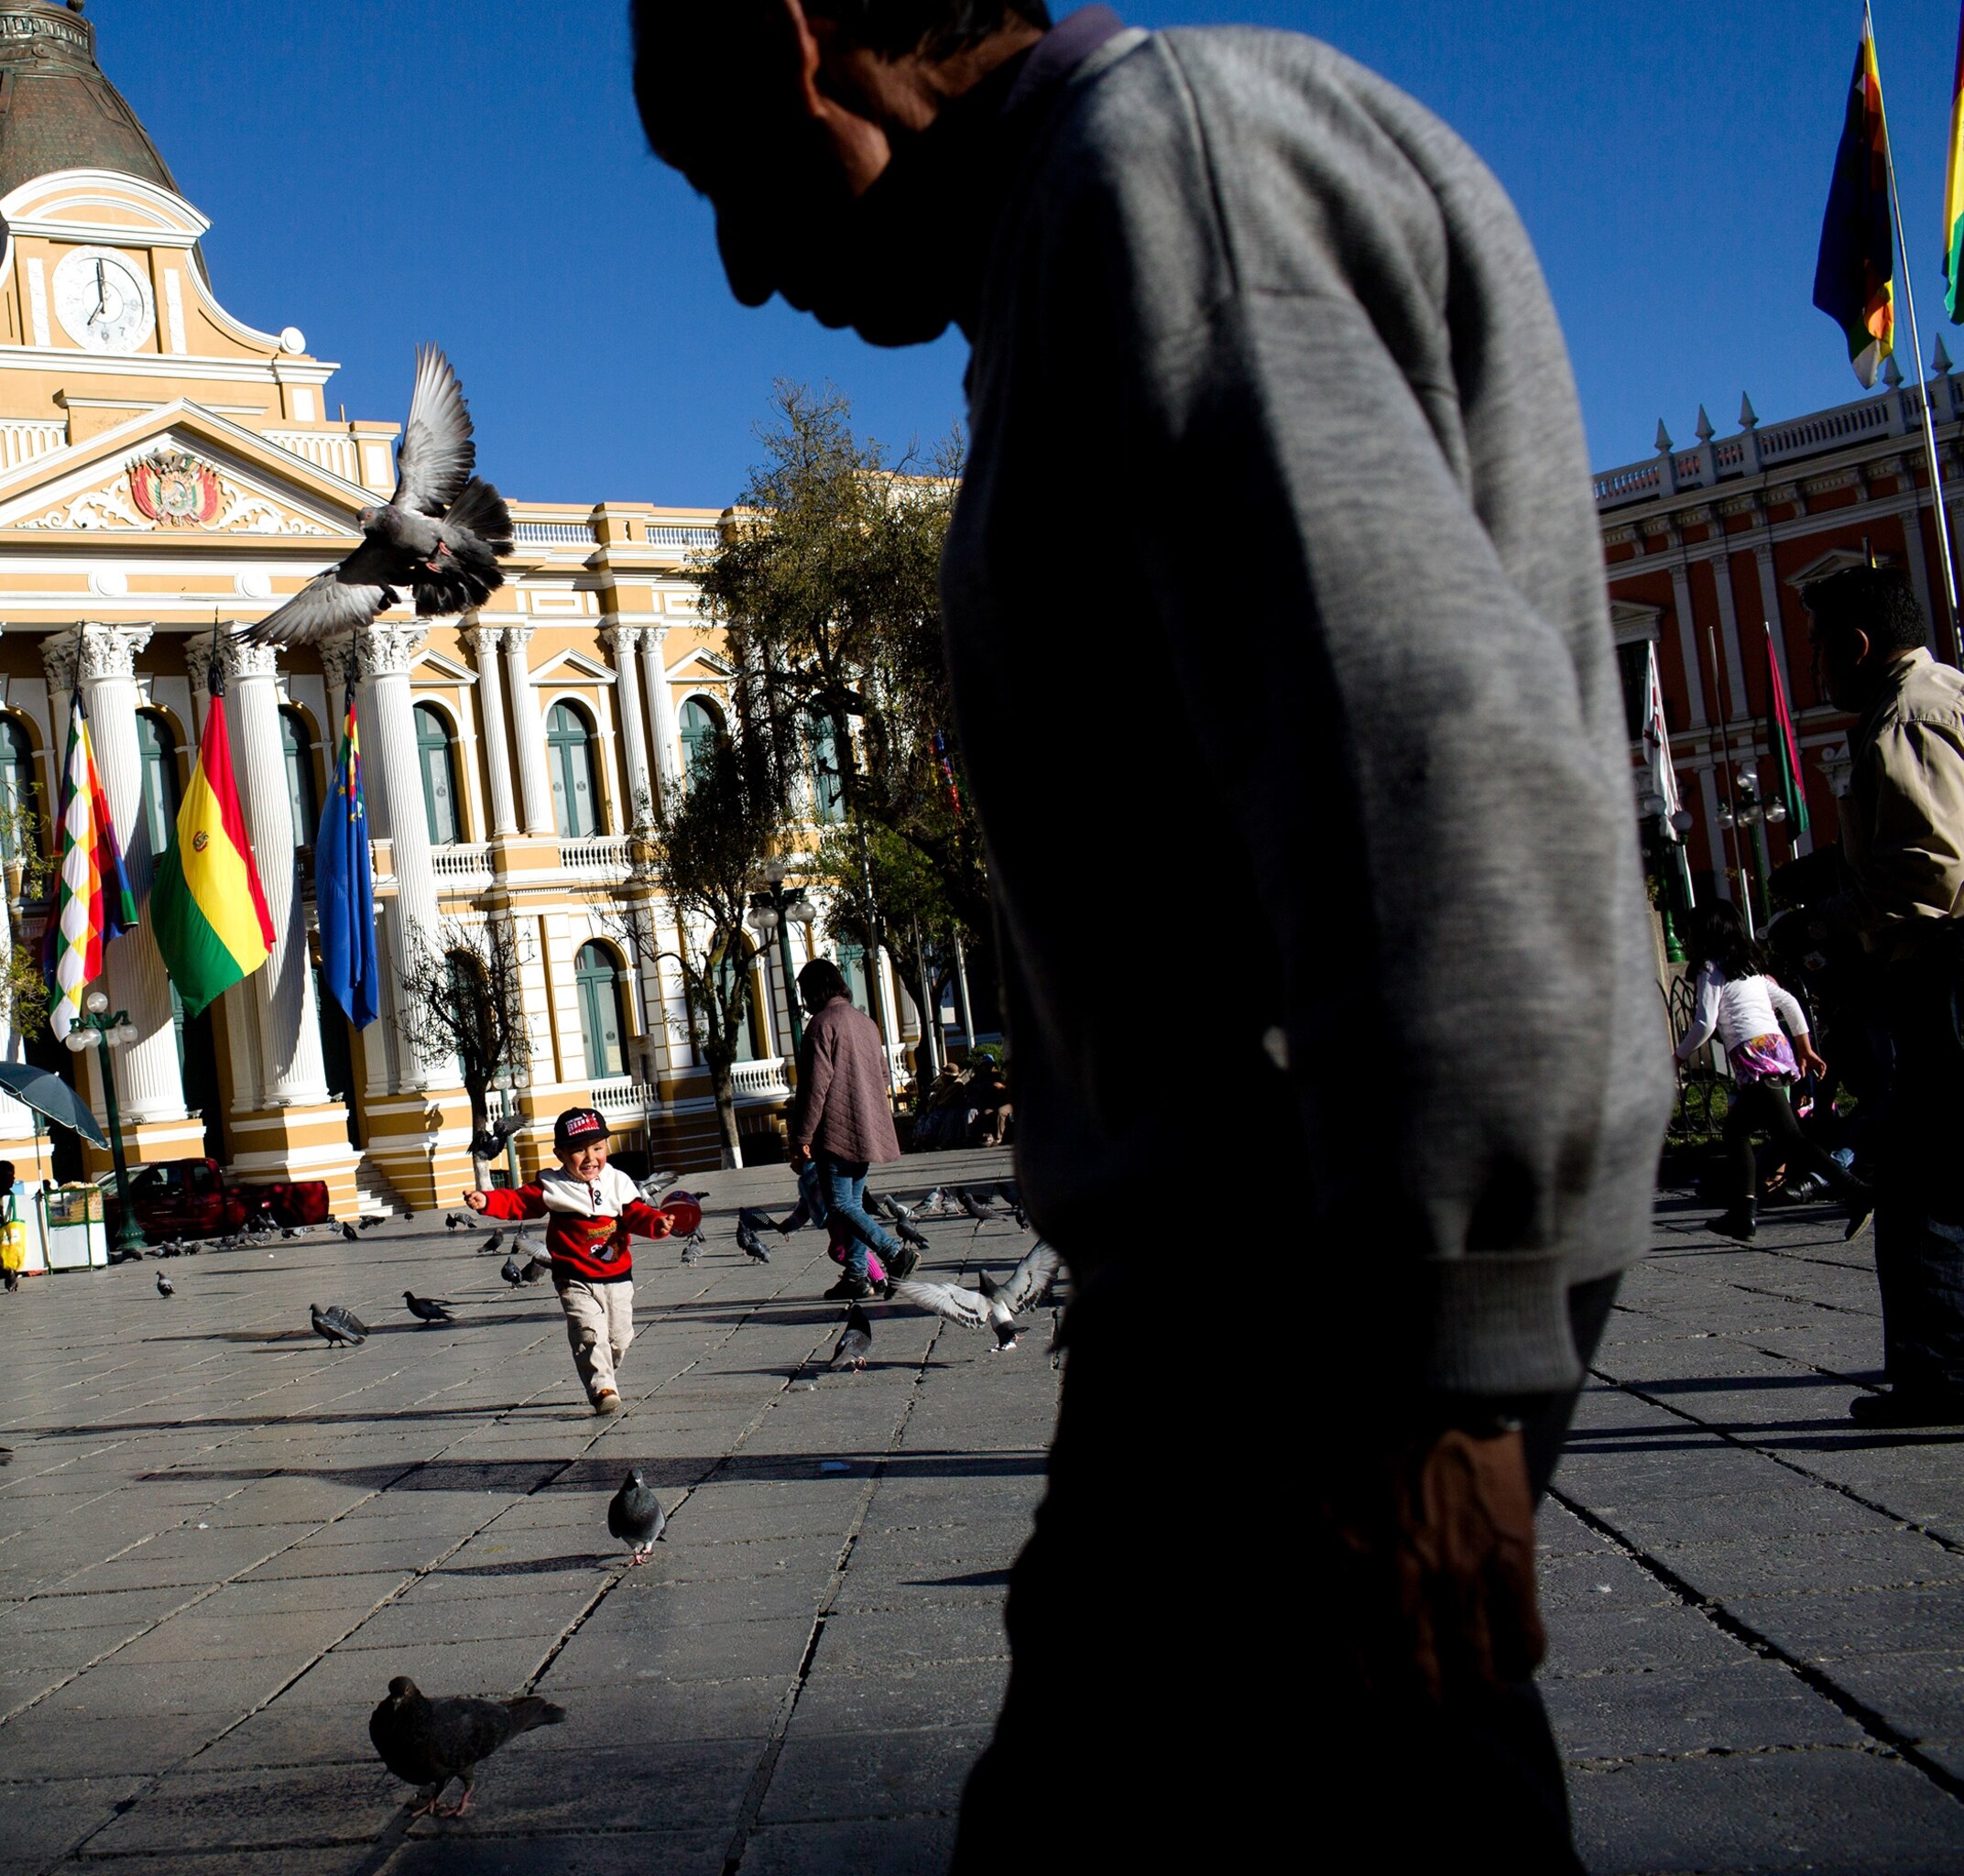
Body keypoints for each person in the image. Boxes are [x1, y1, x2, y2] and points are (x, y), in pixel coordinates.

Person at [631, 7, 1669, 1870]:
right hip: (1248, 1309)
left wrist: (1444, 1368)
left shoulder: (1162, 175)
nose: (738, 264)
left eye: (721, 178)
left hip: (1303, 1320)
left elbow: (1424, 765)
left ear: (805, 43)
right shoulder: (1094, 225)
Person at [1799, 566, 1964, 1427]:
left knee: (1927, 1178)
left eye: (1819, 649)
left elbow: (1927, 871)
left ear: (1858, 645)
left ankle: (1943, 1376)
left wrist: (1826, 920)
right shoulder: (1952, 694)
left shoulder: (1901, 717)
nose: (1814, 669)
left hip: (1945, 965)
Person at [464, 1108, 679, 1416]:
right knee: (588, 1331)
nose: (590, 1158)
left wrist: (657, 1223)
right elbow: (520, 1201)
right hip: (573, 1275)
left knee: (619, 1338)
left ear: (607, 1146)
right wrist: (488, 1201)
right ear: (560, 1153)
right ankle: (601, 1388)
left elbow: (635, 1214)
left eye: (597, 1148)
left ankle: (605, 1367)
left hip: (617, 1275)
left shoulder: (618, 1181)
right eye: (578, 1150)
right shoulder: (552, 1185)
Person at [1673, 919, 1871, 1244]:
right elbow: (1790, 1003)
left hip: (1754, 1056)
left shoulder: (1711, 967)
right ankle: (1742, 1214)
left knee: (1791, 1137)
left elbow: (1704, 1023)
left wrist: (1677, 1058)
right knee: (1736, 1132)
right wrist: (1804, 1047)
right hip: (1773, 1049)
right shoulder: (1748, 968)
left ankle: (1857, 1192)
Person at [784, 960, 914, 1302]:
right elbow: (884, 1077)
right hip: (868, 1126)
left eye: (805, 992)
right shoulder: (865, 1023)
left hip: (836, 1132)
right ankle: (857, 1275)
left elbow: (814, 1089)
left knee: (841, 1205)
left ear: (817, 990)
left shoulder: (821, 1026)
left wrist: (801, 1137)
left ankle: (893, 1253)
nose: (804, 1001)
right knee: (853, 1202)